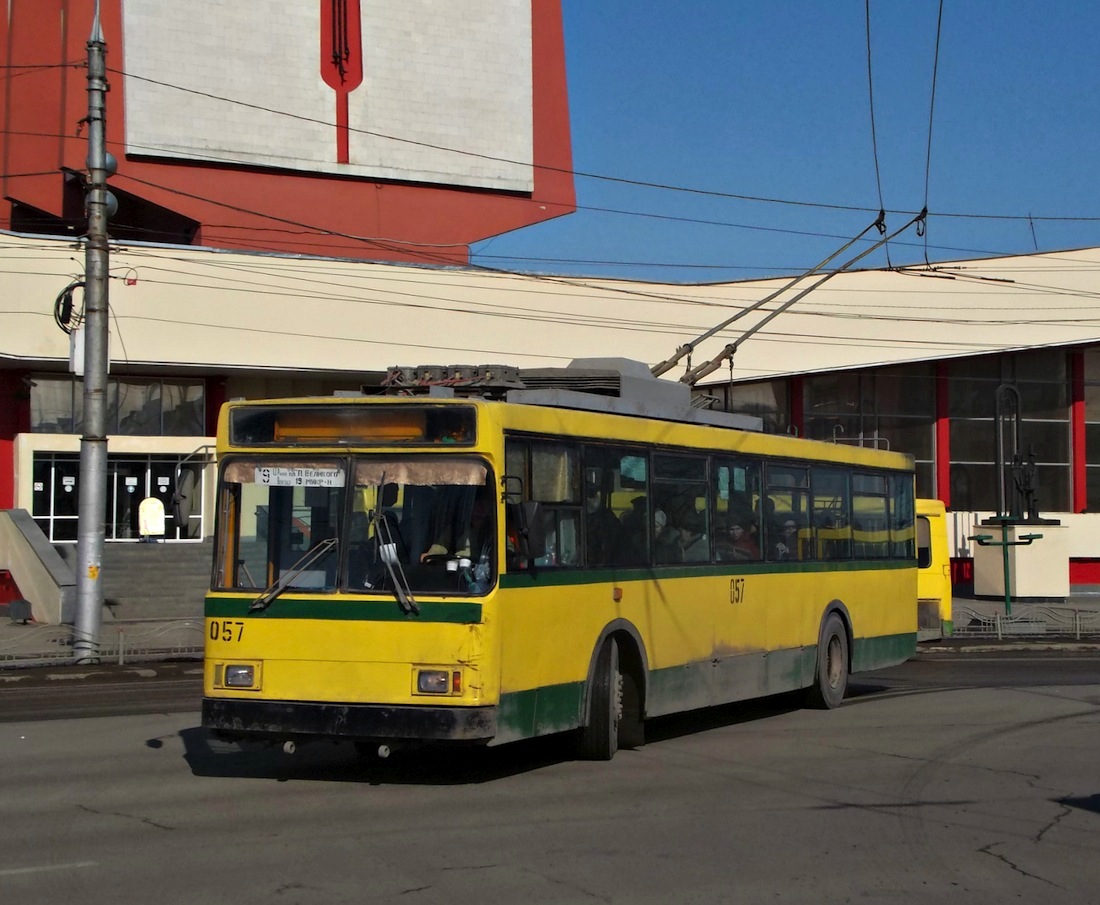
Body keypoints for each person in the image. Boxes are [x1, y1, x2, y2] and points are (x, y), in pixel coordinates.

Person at [584, 483, 619, 566]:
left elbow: (609, 544)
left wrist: (602, 562)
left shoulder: (607, 517)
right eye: (588, 496)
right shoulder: (586, 517)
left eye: (592, 496)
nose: (589, 500)